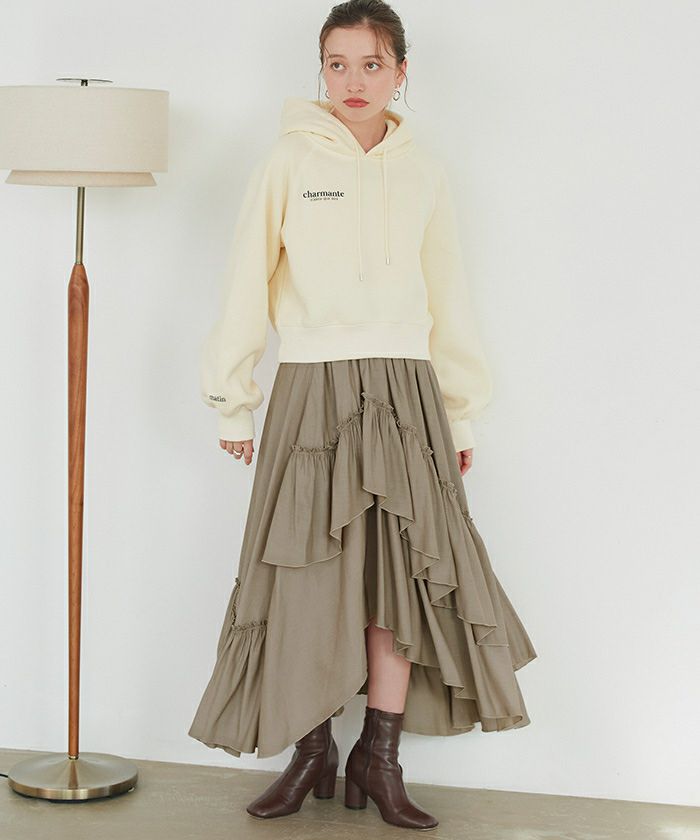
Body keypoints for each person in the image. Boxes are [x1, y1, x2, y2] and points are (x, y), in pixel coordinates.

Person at [188, 0, 537, 830]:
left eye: (372, 64)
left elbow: (449, 298)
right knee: (305, 580)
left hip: (406, 394)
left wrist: (460, 416)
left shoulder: (425, 171)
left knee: (399, 584)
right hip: (311, 389)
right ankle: (310, 752)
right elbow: (244, 279)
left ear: (401, 72)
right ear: (321, 69)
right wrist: (233, 400)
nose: (353, 81)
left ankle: (378, 761)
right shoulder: (285, 160)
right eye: (337, 64)